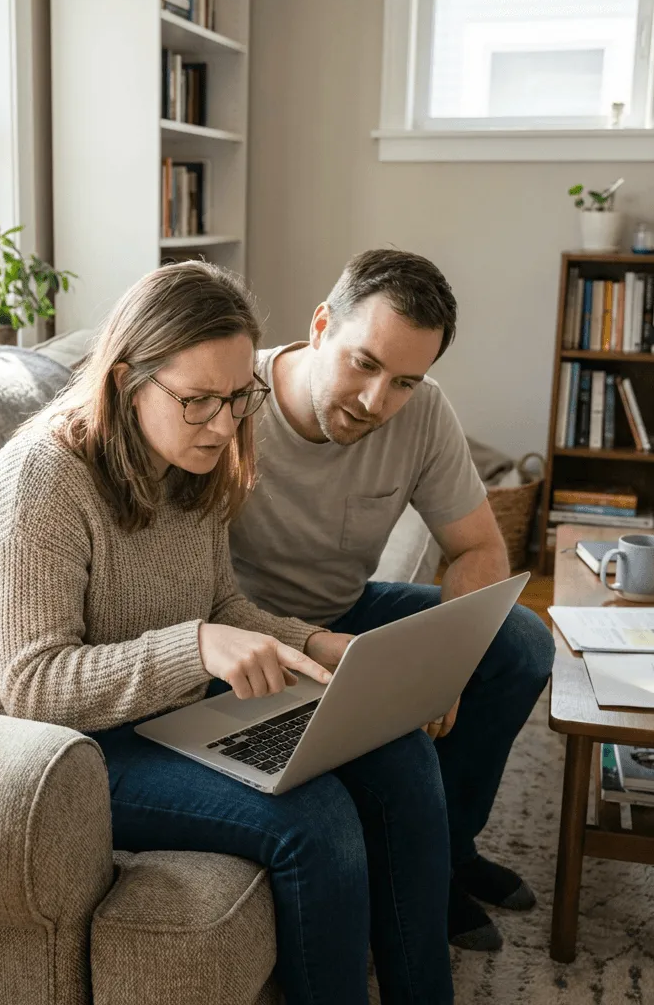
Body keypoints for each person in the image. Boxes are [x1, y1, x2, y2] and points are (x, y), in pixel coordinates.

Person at [0, 261, 455, 1004]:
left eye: (238, 397)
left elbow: (222, 602)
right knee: (312, 820)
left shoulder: (199, 461)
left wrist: (318, 645)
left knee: (399, 751)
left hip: (159, 716)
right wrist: (196, 646)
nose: (224, 423)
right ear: (126, 383)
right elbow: (34, 686)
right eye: (197, 401)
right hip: (56, 754)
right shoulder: (42, 480)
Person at [230, 248, 557, 952]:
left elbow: (478, 548)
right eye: (365, 364)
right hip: (250, 638)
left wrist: (444, 656)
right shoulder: (231, 398)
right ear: (321, 326)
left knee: (522, 644)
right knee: (394, 745)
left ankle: (450, 851)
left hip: (348, 610)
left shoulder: (422, 413)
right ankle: (425, 871)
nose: (378, 403)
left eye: (406, 380)